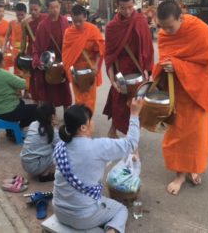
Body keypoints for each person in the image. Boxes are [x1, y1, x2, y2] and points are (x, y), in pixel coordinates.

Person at [155, 1, 208, 195]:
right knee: (176, 134)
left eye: (170, 27)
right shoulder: (166, 33)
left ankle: (193, 168)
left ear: (181, 18)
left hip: (197, 92)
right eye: (162, 27)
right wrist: (169, 65)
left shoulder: (200, 32)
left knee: (196, 135)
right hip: (177, 91)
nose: (166, 32)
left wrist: (179, 66)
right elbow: (165, 57)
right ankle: (180, 174)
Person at [52, 98, 143, 233]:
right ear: (83, 127)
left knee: (99, 199)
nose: (93, 122)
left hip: (59, 211)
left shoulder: (60, 146)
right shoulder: (98, 147)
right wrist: (134, 113)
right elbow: (131, 144)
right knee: (121, 210)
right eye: (91, 120)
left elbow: (81, 164)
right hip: (83, 217)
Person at [103, 0, 154, 138]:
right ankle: (114, 130)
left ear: (134, 4)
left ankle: (131, 138)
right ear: (117, 6)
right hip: (121, 69)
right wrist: (112, 79)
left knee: (136, 103)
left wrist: (148, 70)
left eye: (130, 7)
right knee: (118, 99)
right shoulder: (112, 27)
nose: (127, 11)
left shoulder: (140, 21)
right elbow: (109, 55)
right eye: (123, 8)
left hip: (138, 69)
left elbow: (148, 47)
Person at [62, 5, 105, 113]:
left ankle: (88, 120)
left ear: (85, 17)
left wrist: (96, 66)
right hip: (76, 70)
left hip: (90, 69)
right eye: (74, 21)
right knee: (79, 98)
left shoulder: (93, 30)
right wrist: (68, 69)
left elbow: (100, 50)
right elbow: (66, 54)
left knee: (90, 98)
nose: (77, 24)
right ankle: (80, 121)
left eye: (80, 21)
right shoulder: (69, 33)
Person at [32, 0, 72, 108]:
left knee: (65, 90)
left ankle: (66, 114)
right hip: (49, 63)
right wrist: (38, 60)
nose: (55, 10)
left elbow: (70, 42)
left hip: (62, 62)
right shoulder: (43, 25)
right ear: (47, 8)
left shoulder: (65, 21)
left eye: (57, 7)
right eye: (52, 7)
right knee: (49, 92)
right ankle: (51, 116)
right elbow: (37, 45)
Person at [0, 51, 37, 129]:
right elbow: (24, 85)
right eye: (3, 59)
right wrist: (26, 74)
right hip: (6, 112)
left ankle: (12, 129)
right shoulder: (3, 74)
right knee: (37, 110)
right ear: (1, 62)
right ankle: (16, 128)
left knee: (21, 102)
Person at [20, 103, 59, 182]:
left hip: (25, 162)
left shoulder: (33, 124)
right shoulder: (52, 131)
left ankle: (39, 169)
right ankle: (45, 174)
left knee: (49, 147)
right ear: (52, 116)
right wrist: (55, 127)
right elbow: (60, 145)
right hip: (35, 166)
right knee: (60, 152)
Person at [21, 0, 47, 101]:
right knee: (34, 77)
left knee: (45, 77)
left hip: (44, 51)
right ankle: (36, 99)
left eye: (35, 9)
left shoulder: (46, 19)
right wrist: (21, 53)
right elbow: (24, 38)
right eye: (31, 9)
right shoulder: (26, 22)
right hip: (32, 51)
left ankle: (46, 99)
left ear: (40, 8)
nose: (33, 12)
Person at [3, 3, 31, 95]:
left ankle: (27, 91)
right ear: (15, 13)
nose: (20, 16)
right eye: (18, 14)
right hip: (15, 51)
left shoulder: (29, 23)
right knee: (17, 72)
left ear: (26, 13)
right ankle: (18, 91)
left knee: (27, 72)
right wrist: (5, 45)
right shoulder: (12, 23)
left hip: (26, 50)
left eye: (22, 15)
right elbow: (7, 35)